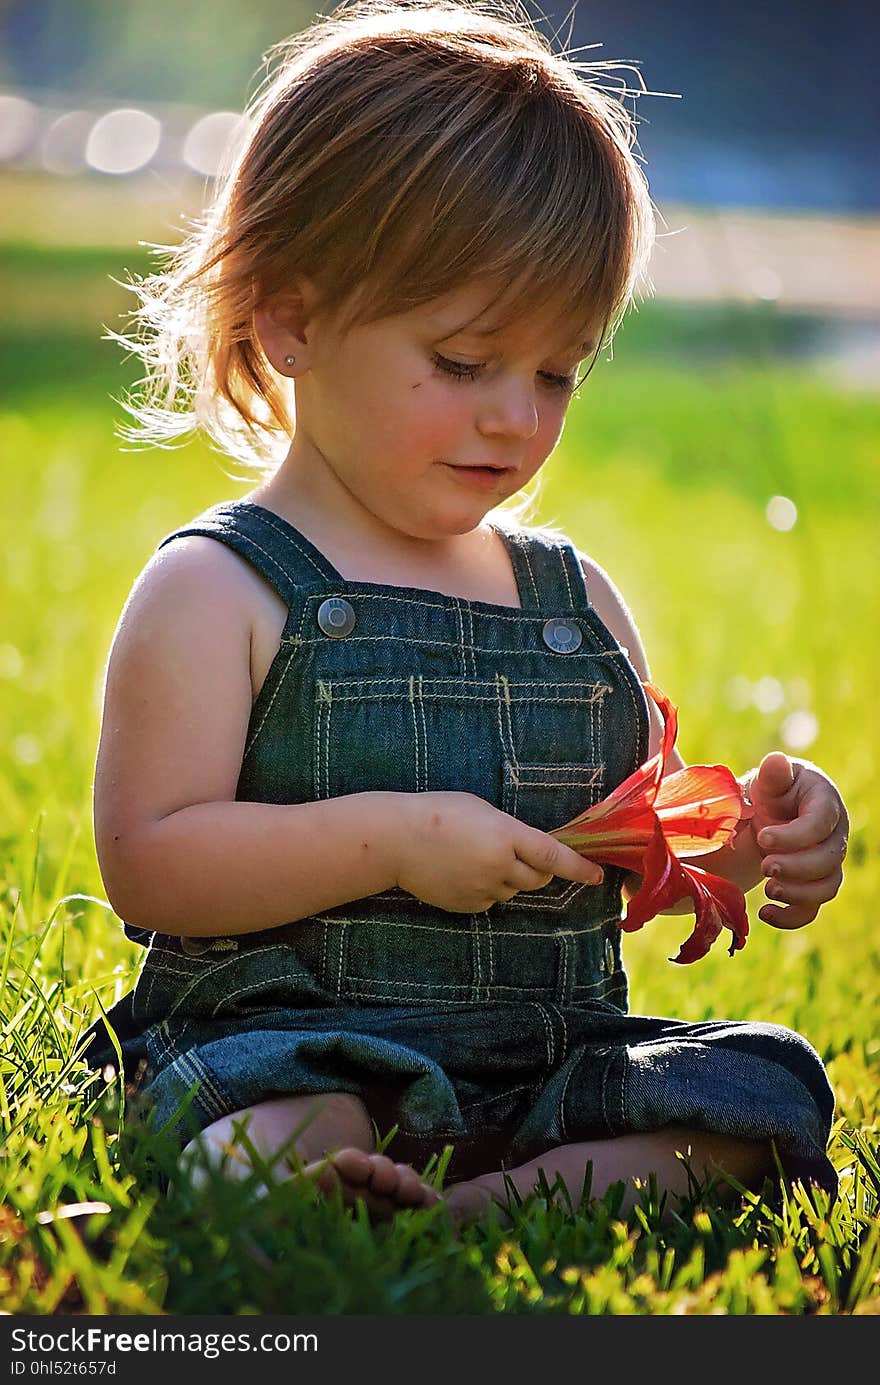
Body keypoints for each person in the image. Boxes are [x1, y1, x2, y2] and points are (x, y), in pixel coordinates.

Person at [83, 0, 848, 1225]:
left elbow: (624, 847)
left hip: (541, 1058)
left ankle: (473, 1206)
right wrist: (389, 836)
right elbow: (152, 863)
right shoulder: (220, 586)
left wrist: (747, 842)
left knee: (761, 1087)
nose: (516, 417)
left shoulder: (571, 598)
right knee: (281, 1114)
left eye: (556, 372)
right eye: (462, 360)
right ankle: (330, 1181)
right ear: (293, 316)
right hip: (300, 1044)